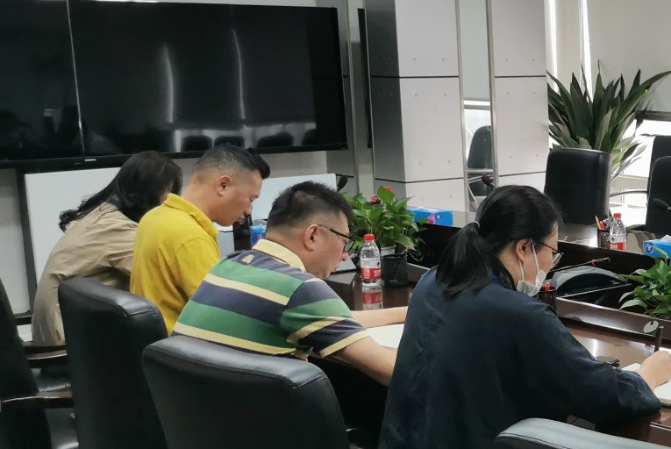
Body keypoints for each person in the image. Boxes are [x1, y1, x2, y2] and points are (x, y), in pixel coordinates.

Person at [370, 184, 671, 449]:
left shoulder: (431, 283)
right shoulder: (518, 314)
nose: (550, 266)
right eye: (552, 253)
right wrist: (647, 375)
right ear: (524, 247)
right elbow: (603, 395)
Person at [174, 181, 403, 384]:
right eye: (344, 241)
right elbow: (392, 371)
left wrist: (406, 313)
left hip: (196, 414)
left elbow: (337, 318)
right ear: (313, 235)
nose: (345, 255)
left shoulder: (229, 265)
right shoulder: (301, 288)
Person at [30, 151, 181, 346]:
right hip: (67, 343)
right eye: (167, 199)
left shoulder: (100, 215)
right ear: (146, 195)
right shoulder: (116, 229)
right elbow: (163, 279)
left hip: (60, 332)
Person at [131, 144, 269, 331]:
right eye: (251, 199)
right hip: (186, 345)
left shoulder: (154, 216)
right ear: (223, 185)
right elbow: (223, 315)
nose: (248, 211)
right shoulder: (190, 236)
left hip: (158, 341)